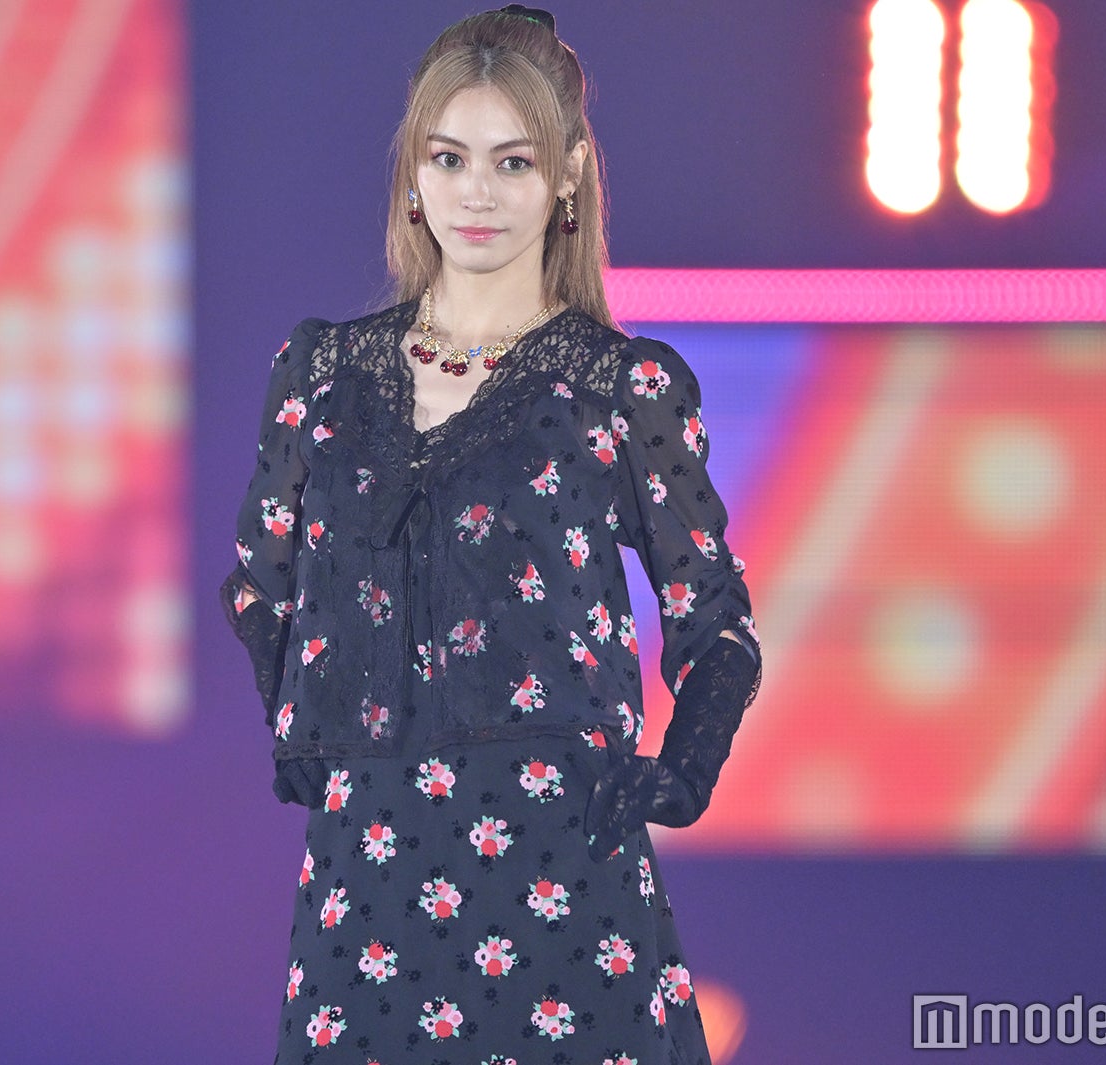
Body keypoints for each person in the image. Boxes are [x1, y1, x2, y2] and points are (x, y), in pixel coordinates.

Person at [221, 7, 761, 1061]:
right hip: (367, 881)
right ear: (412, 174)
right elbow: (257, 585)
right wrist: (306, 726)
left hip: (561, 872)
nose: (477, 192)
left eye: (513, 162)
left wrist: (682, 771)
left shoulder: (620, 387)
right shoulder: (323, 374)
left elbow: (717, 622)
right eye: (450, 158)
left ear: (568, 176)